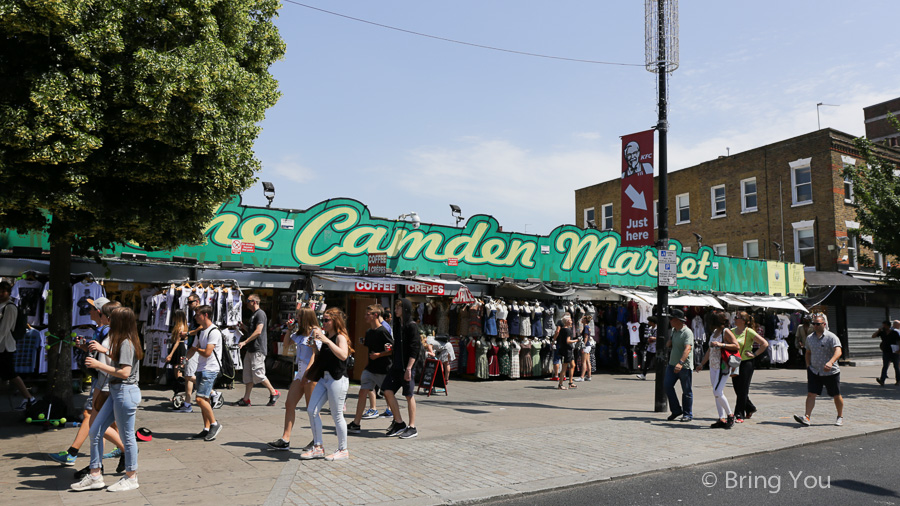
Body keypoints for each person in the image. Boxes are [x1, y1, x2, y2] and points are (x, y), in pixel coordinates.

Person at [70, 307, 144, 492]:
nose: (109, 319)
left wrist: (98, 364)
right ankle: (95, 475)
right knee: (95, 430)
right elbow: (117, 357)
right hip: (116, 391)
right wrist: (100, 349)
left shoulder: (126, 342)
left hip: (125, 392)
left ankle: (131, 476)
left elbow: (125, 372)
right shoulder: (122, 341)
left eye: (112, 317)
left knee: (127, 436)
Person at [49, 299, 126, 475]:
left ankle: (78, 454)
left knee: (93, 419)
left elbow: (118, 358)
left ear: (101, 313)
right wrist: (86, 348)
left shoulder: (107, 331)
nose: (89, 311)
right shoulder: (102, 330)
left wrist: (100, 353)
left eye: (92, 308)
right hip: (102, 380)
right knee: (102, 421)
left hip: (104, 380)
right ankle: (97, 463)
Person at [301, 307, 352, 461]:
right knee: (312, 410)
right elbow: (321, 357)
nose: (323, 323)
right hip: (324, 379)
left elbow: (343, 355)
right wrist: (315, 347)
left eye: (326, 320)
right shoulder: (327, 337)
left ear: (335, 321)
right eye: (322, 319)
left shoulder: (339, 337)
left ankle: (343, 449)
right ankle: (318, 446)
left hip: (338, 379)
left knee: (337, 415)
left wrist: (326, 340)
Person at [267, 307, 321, 452]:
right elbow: (286, 345)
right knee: (289, 403)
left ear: (306, 317)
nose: (296, 318)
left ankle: (317, 440)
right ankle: (285, 439)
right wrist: (289, 330)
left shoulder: (315, 331)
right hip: (301, 371)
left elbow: (315, 355)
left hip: (311, 373)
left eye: (298, 316)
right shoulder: (300, 332)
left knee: (312, 409)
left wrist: (307, 374)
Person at [347, 304, 393, 434]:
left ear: (375, 316)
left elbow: (391, 349)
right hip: (370, 368)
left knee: (388, 395)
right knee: (363, 392)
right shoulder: (369, 332)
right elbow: (369, 349)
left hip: (383, 369)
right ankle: (356, 423)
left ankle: (397, 421)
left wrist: (379, 354)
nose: (365, 316)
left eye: (368, 314)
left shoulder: (383, 331)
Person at [794, 314, 844, 427]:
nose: (815, 326)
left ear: (824, 324)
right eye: (814, 324)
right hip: (814, 371)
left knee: (836, 395)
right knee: (811, 394)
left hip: (831, 372)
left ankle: (840, 416)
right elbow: (808, 352)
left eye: (818, 324)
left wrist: (831, 362)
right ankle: (807, 417)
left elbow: (838, 352)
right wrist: (808, 365)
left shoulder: (832, 337)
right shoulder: (810, 338)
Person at [383, 298, 421, 439]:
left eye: (398, 307)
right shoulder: (398, 325)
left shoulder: (412, 326)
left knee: (408, 395)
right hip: (396, 366)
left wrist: (409, 368)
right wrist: (392, 348)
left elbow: (415, 349)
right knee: (387, 390)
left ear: (405, 309)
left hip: (407, 367)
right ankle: (399, 422)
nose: (395, 310)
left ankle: (412, 427)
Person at [185, 305, 223, 441]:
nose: (195, 317)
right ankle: (207, 428)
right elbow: (193, 348)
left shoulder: (214, 332)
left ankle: (214, 424)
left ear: (205, 315)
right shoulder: (201, 332)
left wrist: (196, 349)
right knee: (205, 399)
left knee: (200, 399)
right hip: (201, 368)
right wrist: (186, 358)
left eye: (197, 315)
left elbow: (207, 353)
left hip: (211, 369)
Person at [695, 313, 739, 429]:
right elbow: (709, 350)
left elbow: (736, 346)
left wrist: (721, 344)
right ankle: (721, 418)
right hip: (713, 366)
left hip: (723, 366)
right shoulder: (714, 332)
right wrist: (702, 364)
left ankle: (730, 415)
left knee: (717, 392)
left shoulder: (726, 332)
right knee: (717, 394)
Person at [235, 294, 279, 406]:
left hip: (257, 348)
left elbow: (259, 331)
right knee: (248, 375)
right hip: (251, 349)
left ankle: (274, 392)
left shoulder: (260, 314)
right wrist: (243, 327)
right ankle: (246, 399)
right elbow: (253, 331)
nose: (246, 303)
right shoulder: (254, 315)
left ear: (254, 302)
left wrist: (245, 342)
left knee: (258, 374)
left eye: (248, 300)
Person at [0, 280, 37, 410]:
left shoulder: (9, 307)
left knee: (11, 374)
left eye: (4, 291)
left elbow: (4, 329)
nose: (1, 294)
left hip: (5, 346)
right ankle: (28, 398)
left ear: (9, 293)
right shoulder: (2, 306)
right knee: (10, 374)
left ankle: (29, 398)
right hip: (3, 346)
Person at [731, 311, 769, 423]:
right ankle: (750, 407)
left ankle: (739, 413)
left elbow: (764, 344)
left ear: (743, 320)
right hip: (734, 362)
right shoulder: (731, 331)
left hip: (747, 363)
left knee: (743, 389)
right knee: (737, 388)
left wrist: (754, 354)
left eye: (737, 317)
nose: (734, 319)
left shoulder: (749, 331)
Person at [664, 308, 694, 422]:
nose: (670, 320)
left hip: (683, 366)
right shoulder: (673, 331)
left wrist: (680, 362)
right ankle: (676, 410)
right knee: (667, 386)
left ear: (677, 320)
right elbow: (670, 343)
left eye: (671, 319)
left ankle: (687, 414)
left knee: (686, 391)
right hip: (672, 364)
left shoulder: (687, 332)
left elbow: (688, 349)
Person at [176, 295, 201, 413]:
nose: (189, 304)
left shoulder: (201, 312)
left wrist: (188, 333)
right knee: (188, 376)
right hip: (192, 346)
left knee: (188, 375)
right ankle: (187, 403)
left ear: (197, 301)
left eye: (191, 302)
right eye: (188, 302)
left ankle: (212, 392)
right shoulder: (194, 314)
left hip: (195, 347)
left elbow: (202, 327)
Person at [873, 320, 900, 386]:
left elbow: (899, 341)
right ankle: (882, 380)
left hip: (894, 351)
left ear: (888, 326)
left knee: (896, 366)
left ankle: (898, 381)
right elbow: (873, 336)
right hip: (886, 351)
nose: (883, 326)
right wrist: (879, 330)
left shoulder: (894, 333)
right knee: (885, 366)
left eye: (884, 325)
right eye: (883, 325)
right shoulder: (882, 332)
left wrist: (899, 350)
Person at [556, 316, 578, 389]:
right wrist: (576, 340)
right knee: (564, 367)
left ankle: (570, 382)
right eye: (570, 320)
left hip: (567, 349)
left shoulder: (563, 329)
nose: (571, 321)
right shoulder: (568, 330)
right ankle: (560, 384)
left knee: (573, 365)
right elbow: (568, 341)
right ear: (567, 321)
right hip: (567, 350)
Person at [636, 316, 658, 380]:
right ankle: (643, 374)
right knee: (647, 362)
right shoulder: (650, 328)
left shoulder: (658, 329)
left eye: (649, 321)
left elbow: (660, 338)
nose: (648, 323)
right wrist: (648, 339)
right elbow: (648, 335)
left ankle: (658, 376)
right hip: (650, 347)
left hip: (656, 347)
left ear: (652, 322)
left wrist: (653, 338)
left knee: (657, 363)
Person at [576, 315, 593, 382]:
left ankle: (582, 376)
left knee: (583, 362)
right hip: (589, 346)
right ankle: (588, 376)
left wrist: (583, 346)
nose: (581, 320)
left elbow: (585, 337)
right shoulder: (588, 327)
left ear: (585, 320)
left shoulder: (585, 327)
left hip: (586, 346)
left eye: (582, 319)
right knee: (588, 361)